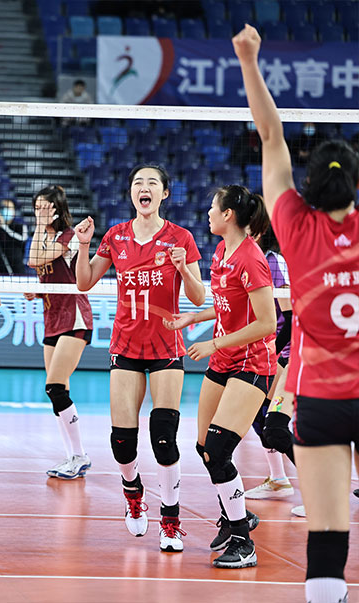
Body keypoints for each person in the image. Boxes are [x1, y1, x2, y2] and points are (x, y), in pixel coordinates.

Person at [234, 24, 359, 602]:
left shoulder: (294, 227)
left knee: (327, 540)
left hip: (323, 401)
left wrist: (249, 59)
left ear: (307, 188)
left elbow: (271, 135)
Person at [74, 163, 205, 553]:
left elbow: (198, 297)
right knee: (122, 442)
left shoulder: (180, 238)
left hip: (166, 347)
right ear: (131, 193)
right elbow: (84, 282)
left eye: (151, 183)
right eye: (137, 183)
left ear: (164, 193)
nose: (143, 188)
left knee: (164, 437)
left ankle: (170, 519)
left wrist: (183, 269)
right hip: (126, 347)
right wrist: (83, 245)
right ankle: (133, 492)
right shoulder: (115, 236)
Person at [164, 184, 276, 569]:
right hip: (224, 360)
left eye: (214, 207)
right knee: (203, 446)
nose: (208, 212)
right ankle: (234, 515)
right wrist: (195, 317)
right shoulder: (221, 251)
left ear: (228, 214)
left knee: (218, 448)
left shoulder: (251, 258)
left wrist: (213, 343)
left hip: (251, 363)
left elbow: (267, 322)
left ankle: (243, 541)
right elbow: (228, 303)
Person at [25, 185, 93, 479]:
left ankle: (79, 455)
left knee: (54, 386)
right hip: (52, 318)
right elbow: (43, 266)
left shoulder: (69, 237)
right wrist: (38, 291)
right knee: (57, 391)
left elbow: (33, 260)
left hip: (75, 318)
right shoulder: (43, 237)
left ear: (57, 209)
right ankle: (72, 457)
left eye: (45, 207)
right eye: (36, 207)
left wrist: (40, 226)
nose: (39, 212)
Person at [244, 225, 296, 501]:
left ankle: (318, 487)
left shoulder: (273, 262)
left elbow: (290, 318)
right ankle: (278, 478)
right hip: (262, 351)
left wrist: (273, 353)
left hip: (284, 353)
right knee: (259, 415)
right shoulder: (244, 259)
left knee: (275, 424)